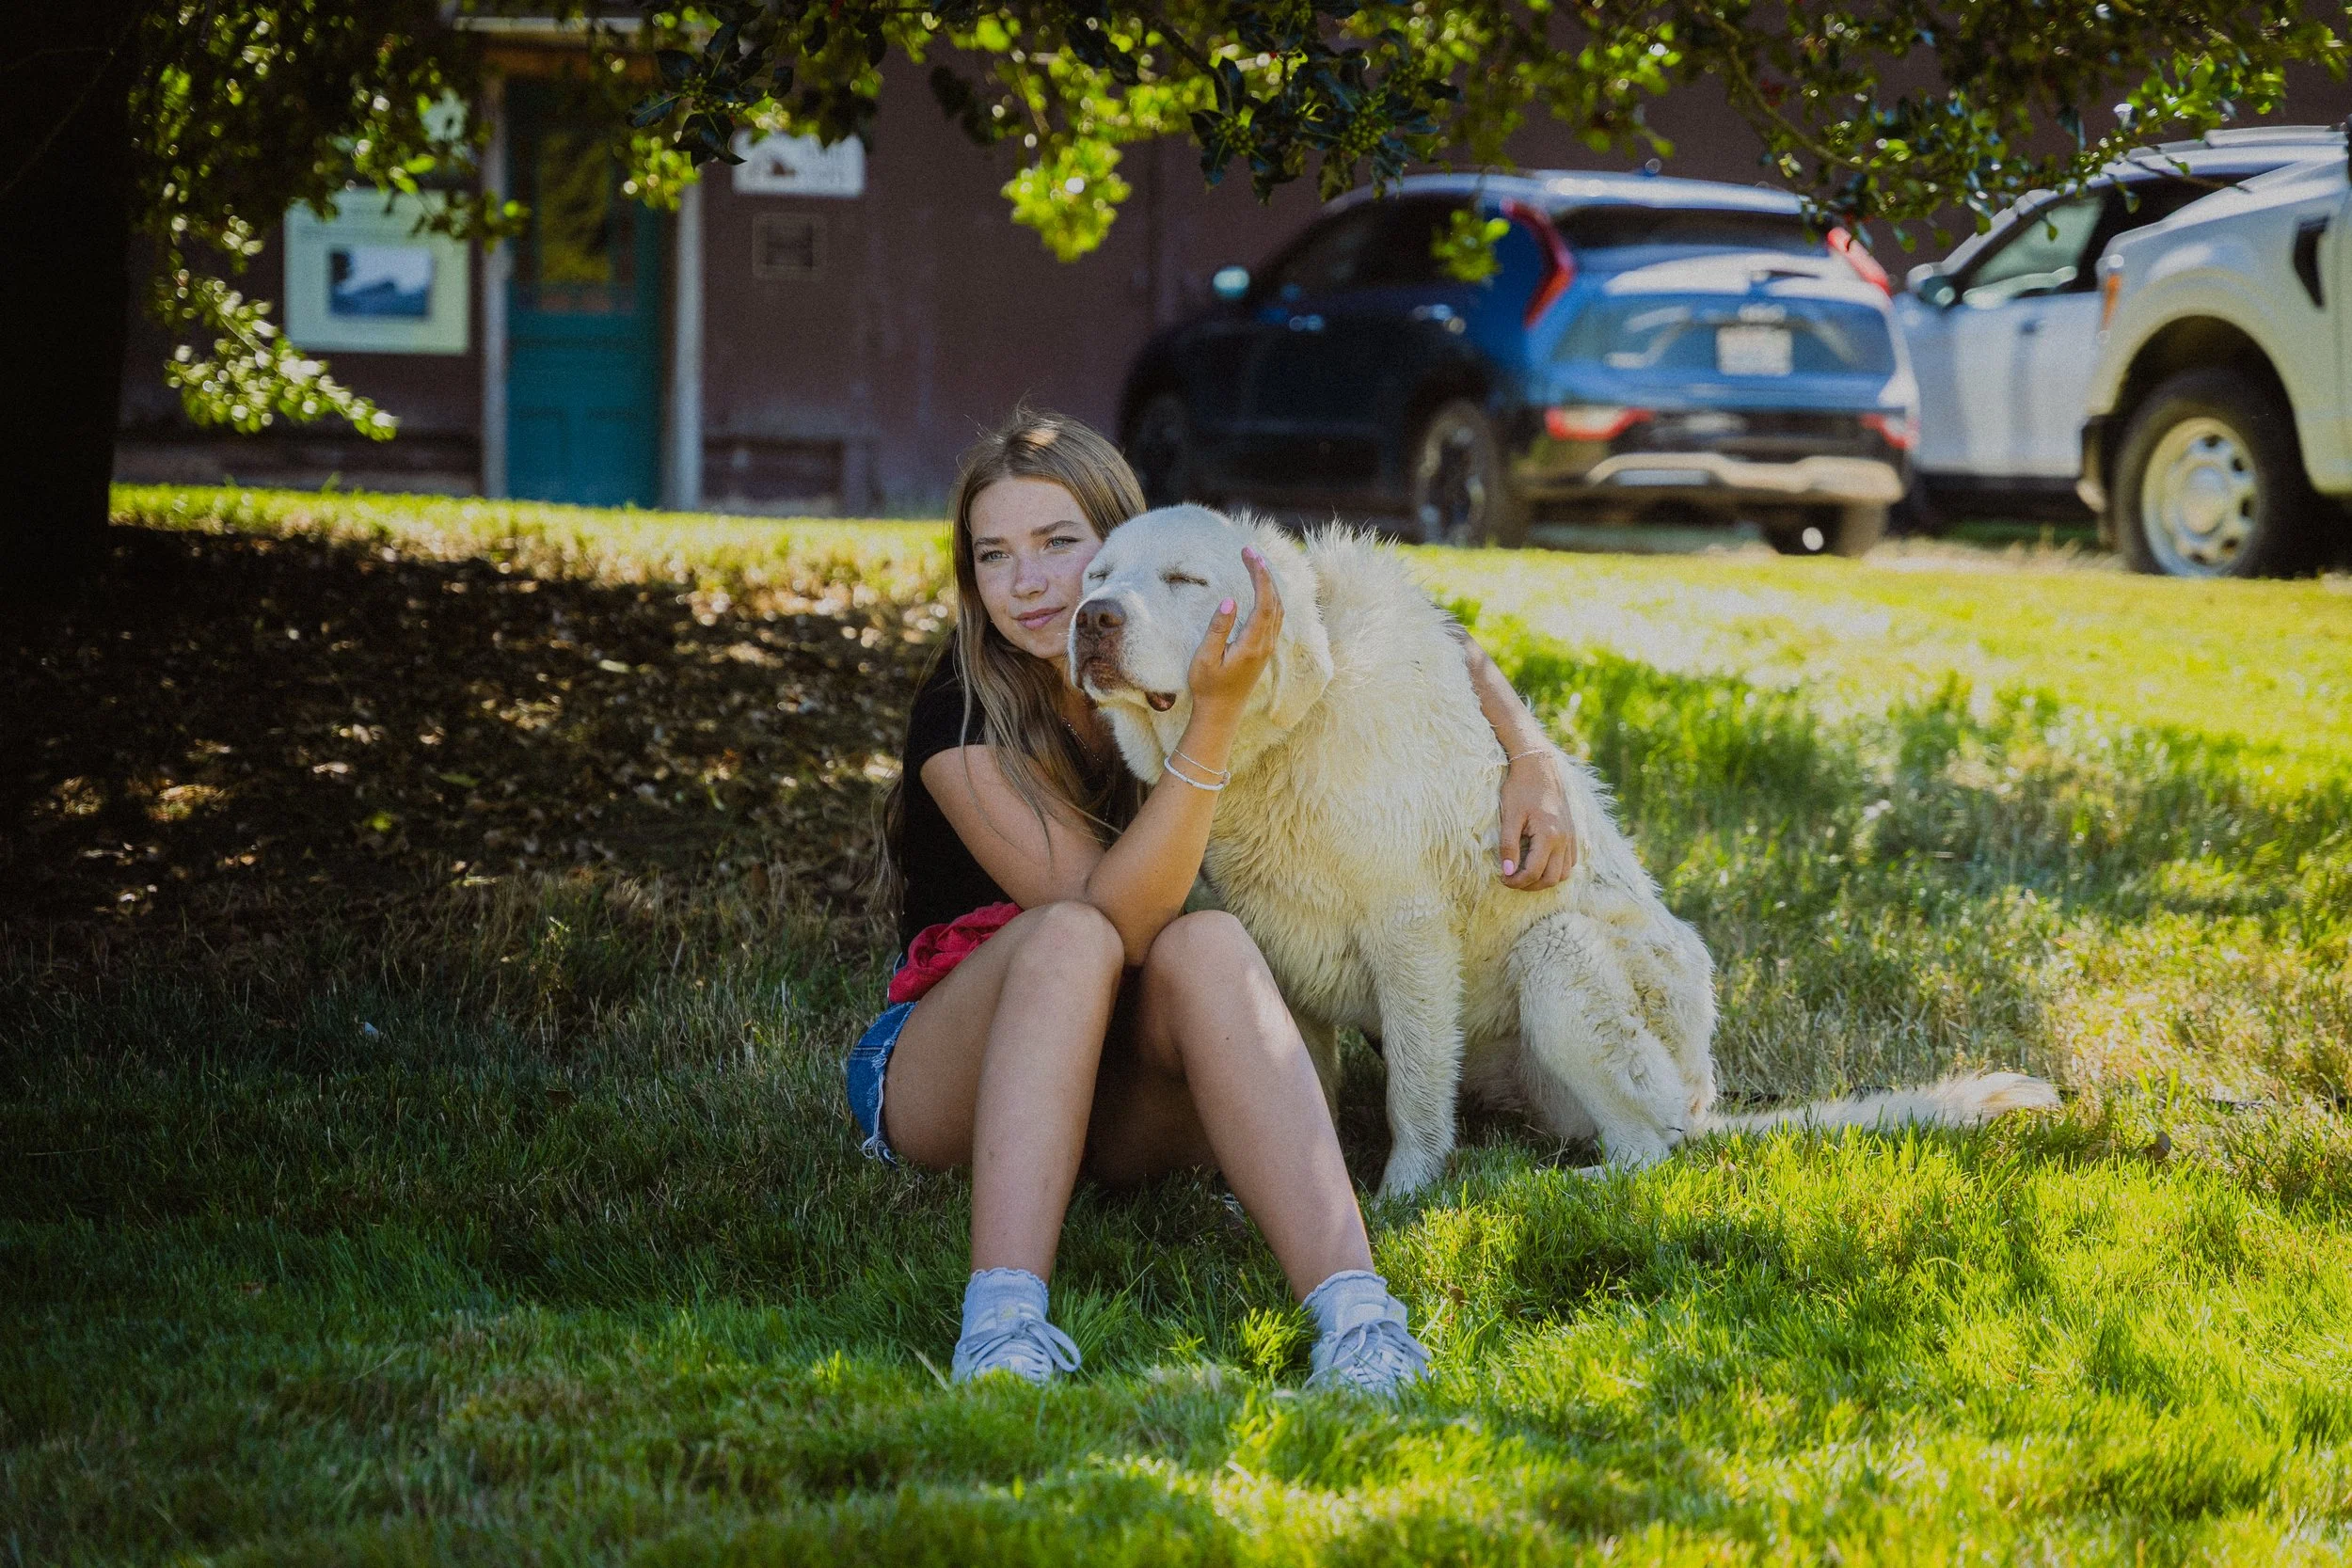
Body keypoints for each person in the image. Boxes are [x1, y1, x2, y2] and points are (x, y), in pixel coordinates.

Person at [849, 407, 1575, 1395]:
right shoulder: (961, 707)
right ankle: (1002, 1325)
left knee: (1211, 945)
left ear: (1132, 542)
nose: (1027, 583)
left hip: (1115, 1071)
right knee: (1068, 936)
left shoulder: (1195, 619)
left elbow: (1411, 631)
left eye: (1061, 545)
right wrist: (1216, 724)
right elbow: (1112, 920)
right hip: (952, 1064)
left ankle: (1361, 1322)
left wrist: (1528, 754)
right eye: (992, 555)